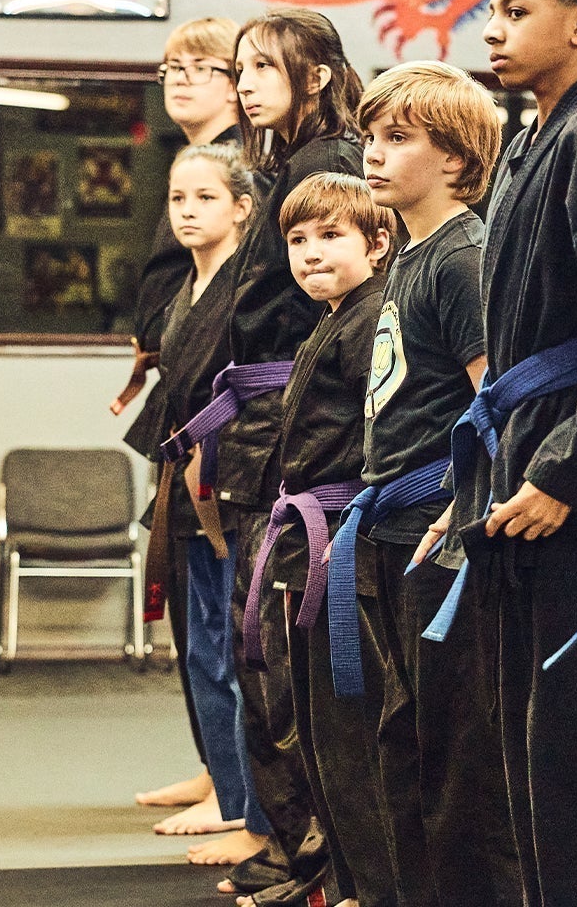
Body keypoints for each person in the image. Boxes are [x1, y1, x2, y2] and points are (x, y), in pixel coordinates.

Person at [415, 0, 577, 907]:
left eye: (518, 10)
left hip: (575, 474)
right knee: (527, 740)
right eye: (493, 8)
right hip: (519, 457)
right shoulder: (531, 138)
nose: (495, 27)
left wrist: (571, 467)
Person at [194, 8, 363, 905]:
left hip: (305, 432)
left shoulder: (329, 168)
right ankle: (298, 853)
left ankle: (318, 861)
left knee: (284, 657)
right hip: (265, 424)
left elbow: (326, 322)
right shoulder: (287, 165)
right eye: (242, 66)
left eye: (266, 66)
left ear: (320, 75)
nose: (246, 80)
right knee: (261, 652)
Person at [342, 61, 520, 906]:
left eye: (398, 138)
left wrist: (461, 507)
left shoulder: (464, 257)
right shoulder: (408, 256)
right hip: (386, 530)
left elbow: (496, 400)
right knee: (401, 738)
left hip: (437, 537)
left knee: (456, 753)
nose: (373, 155)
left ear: (457, 159)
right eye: (371, 136)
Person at [242, 173, 391, 906]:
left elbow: (383, 437)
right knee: (313, 731)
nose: (310, 254)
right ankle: (335, 880)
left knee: (346, 734)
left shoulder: (370, 322)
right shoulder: (331, 319)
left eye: (330, 237)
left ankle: (363, 886)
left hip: (343, 543)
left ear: (378, 242)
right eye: (297, 241)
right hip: (307, 541)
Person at [136, 144, 274, 868]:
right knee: (200, 650)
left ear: (244, 208)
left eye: (205, 198)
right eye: (178, 198)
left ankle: (250, 803)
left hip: (229, 484)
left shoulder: (249, 291)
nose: (187, 210)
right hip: (185, 487)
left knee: (233, 650)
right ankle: (225, 785)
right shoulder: (185, 292)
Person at [121, 16, 242, 822]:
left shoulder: (249, 167)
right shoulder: (183, 163)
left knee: (222, 627)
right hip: (179, 397)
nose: (182, 78)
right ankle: (216, 772)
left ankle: (238, 792)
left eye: (204, 65)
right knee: (195, 623)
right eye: (172, 67)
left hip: (222, 425)